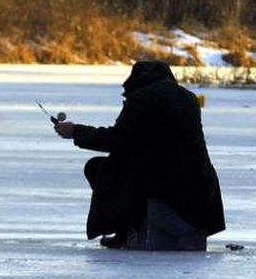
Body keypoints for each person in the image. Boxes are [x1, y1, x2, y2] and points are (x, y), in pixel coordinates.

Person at [53, 61, 225, 250]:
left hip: (166, 189)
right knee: (129, 166)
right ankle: (127, 229)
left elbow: (117, 140)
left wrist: (75, 131)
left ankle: (123, 229)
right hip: (202, 190)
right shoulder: (188, 97)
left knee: (100, 168)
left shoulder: (142, 97)